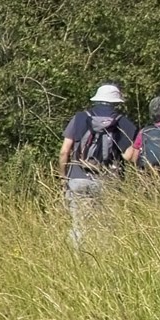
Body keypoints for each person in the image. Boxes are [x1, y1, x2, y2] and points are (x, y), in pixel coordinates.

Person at [60, 83, 135, 243]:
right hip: (107, 180)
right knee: (105, 227)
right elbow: (128, 156)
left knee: (78, 226)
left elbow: (64, 151)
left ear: (97, 99)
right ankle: (100, 260)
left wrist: (63, 178)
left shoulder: (79, 118)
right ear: (116, 102)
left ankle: (77, 260)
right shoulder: (122, 122)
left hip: (77, 177)